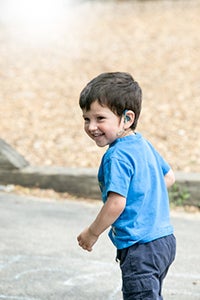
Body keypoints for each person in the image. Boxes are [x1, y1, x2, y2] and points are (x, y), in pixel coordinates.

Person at [77, 72, 176, 299]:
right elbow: (168, 176)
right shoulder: (142, 144)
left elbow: (116, 203)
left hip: (140, 247)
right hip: (164, 241)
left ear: (127, 119)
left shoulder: (116, 156)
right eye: (86, 119)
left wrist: (92, 233)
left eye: (100, 118)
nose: (92, 126)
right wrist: (145, 197)